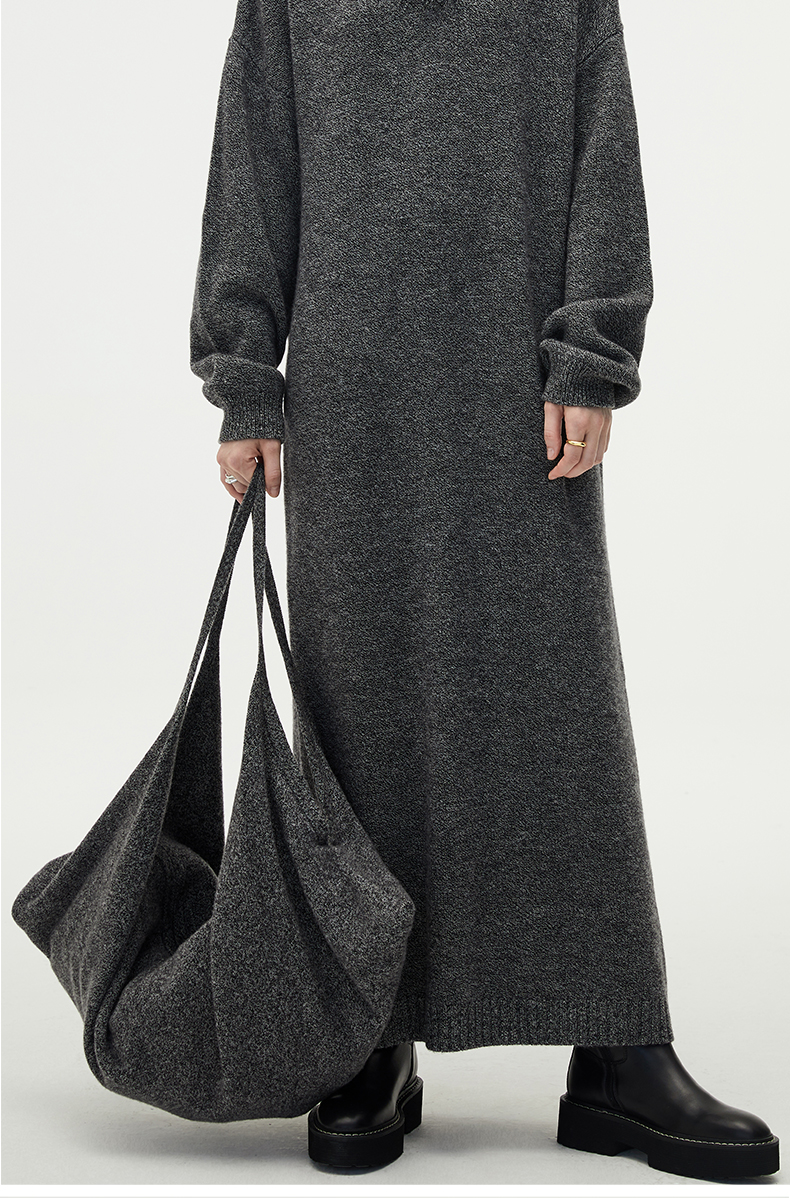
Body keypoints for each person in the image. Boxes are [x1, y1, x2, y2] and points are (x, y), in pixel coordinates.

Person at [189, 0, 780, 1180]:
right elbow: (252, 165)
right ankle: (372, 1029)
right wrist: (245, 374)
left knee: (556, 704)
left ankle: (617, 1044)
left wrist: (592, 352)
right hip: (351, 387)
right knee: (360, 709)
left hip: (518, 381)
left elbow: (602, 152)